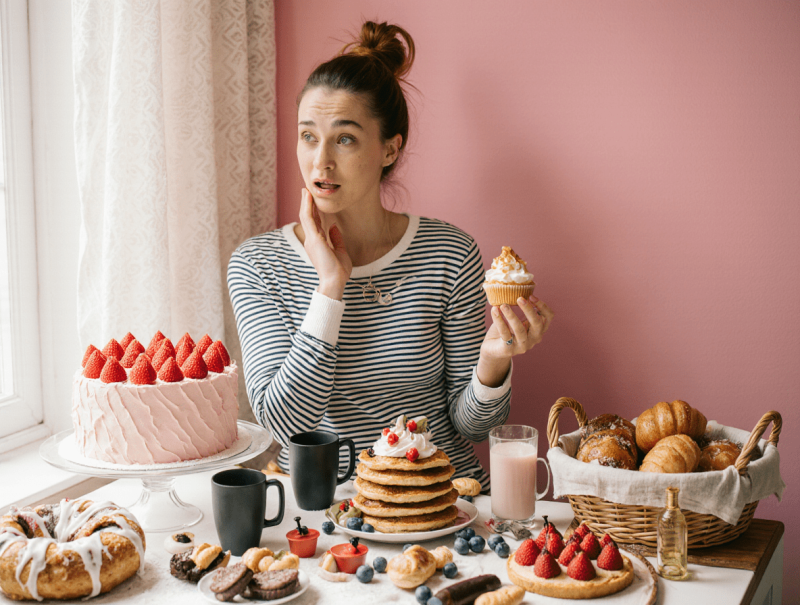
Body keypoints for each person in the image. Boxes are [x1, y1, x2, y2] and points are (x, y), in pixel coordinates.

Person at [228, 21, 553, 489]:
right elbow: (285, 422)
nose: (320, 161)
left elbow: (472, 427)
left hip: (446, 503)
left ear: (389, 148)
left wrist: (493, 358)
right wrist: (330, 289)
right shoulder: (258, 265)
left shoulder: (448, 253)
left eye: (345, 138)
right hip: (336, 513)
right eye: (307, 136)